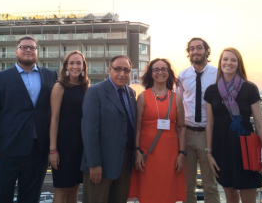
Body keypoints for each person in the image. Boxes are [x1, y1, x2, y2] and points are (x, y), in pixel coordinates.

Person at [0, 35, 57, 203]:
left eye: (32, 47)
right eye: (24, 47)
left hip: (38, 149)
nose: (28, 50)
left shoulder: (51, 76)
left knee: (31, 196)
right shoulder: (0, 78)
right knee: (1, 195)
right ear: (16, 52)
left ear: (37, 52)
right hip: (6, 149)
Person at [204, 47, 262, 203]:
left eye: (233, 60)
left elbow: (260, 124)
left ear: (238, 64)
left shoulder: (249, 89)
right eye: (225, 59)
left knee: (248, 197)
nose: (229, 63)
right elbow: (210, 123)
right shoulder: (212, 91)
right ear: (220, 62)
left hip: (246, 147)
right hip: (222, 147)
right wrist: (209, 153)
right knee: (230, 197)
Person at [128, 58, 186, 203]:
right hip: (147, 153)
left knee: (167, 192)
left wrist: (182, 153)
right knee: (147, 192)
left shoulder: (176, 98)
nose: (160, 72)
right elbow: (138, 126)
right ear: (151, 74)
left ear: (169, 73)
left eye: (164, 69)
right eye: (156, 69)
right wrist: (136, 151)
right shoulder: (142, 97)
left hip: (170, 154)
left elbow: (181, 127)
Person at [81, 55, 136, 203]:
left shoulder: (130, 93)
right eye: (118, 69)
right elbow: (89, 131)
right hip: (101, 163)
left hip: (124, 162)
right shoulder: (95, 92)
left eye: (126, 70)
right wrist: (94, 164)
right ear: (110, 69)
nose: (122, 74)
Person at [176, 37, 220, 203]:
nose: (195, 51)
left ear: (206, 51)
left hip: (207, 135)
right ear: (189, 53)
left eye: (199, 48)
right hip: (187, 133)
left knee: (210, 184)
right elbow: (178, 104)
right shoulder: (183, 75)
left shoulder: (217, 74)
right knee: (187, 184)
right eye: (192, 48)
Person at [49, 51, 89, 203]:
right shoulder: (60, 86)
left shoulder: (86, 87)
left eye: (79, 63)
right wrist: (53, 149)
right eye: (71, 63)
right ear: (66, 66)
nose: (75, 66)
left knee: (75, 186)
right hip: (63, 144)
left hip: (80, 144)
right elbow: (54, 118)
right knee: (62, 187)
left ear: (83, 66)